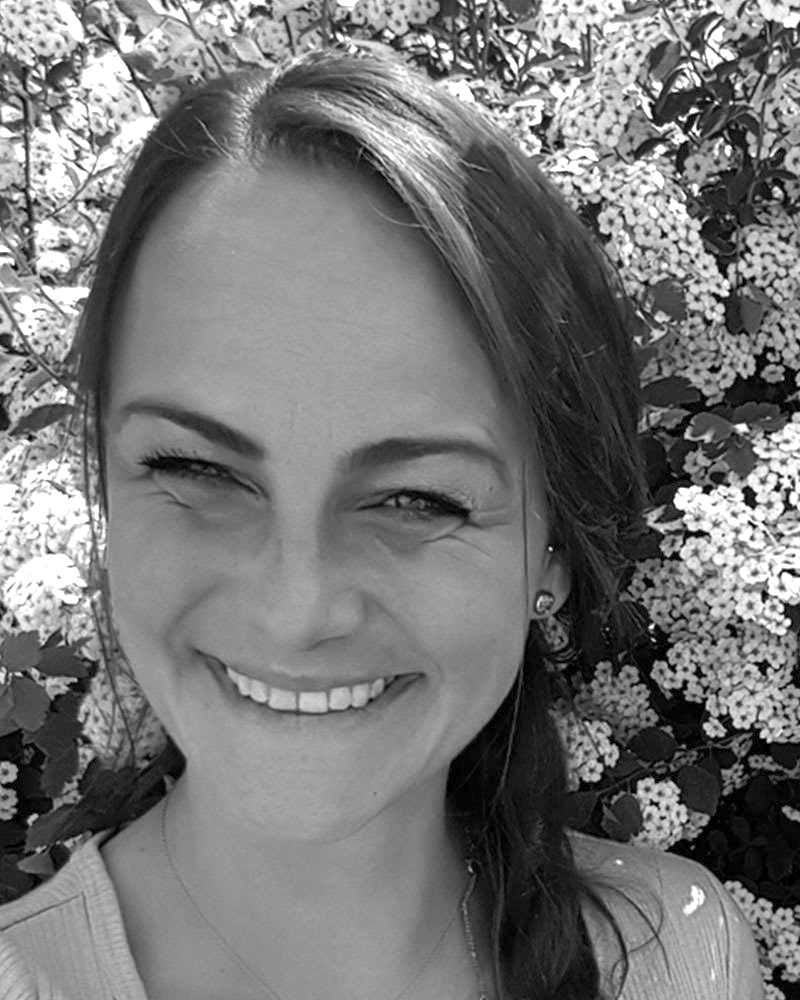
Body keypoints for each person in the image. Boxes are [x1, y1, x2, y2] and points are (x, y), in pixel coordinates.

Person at [0, 46, 763, 1000]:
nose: (297, 609)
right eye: (195, 469)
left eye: (418, 499)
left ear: (554, 549)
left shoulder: (681, 962)